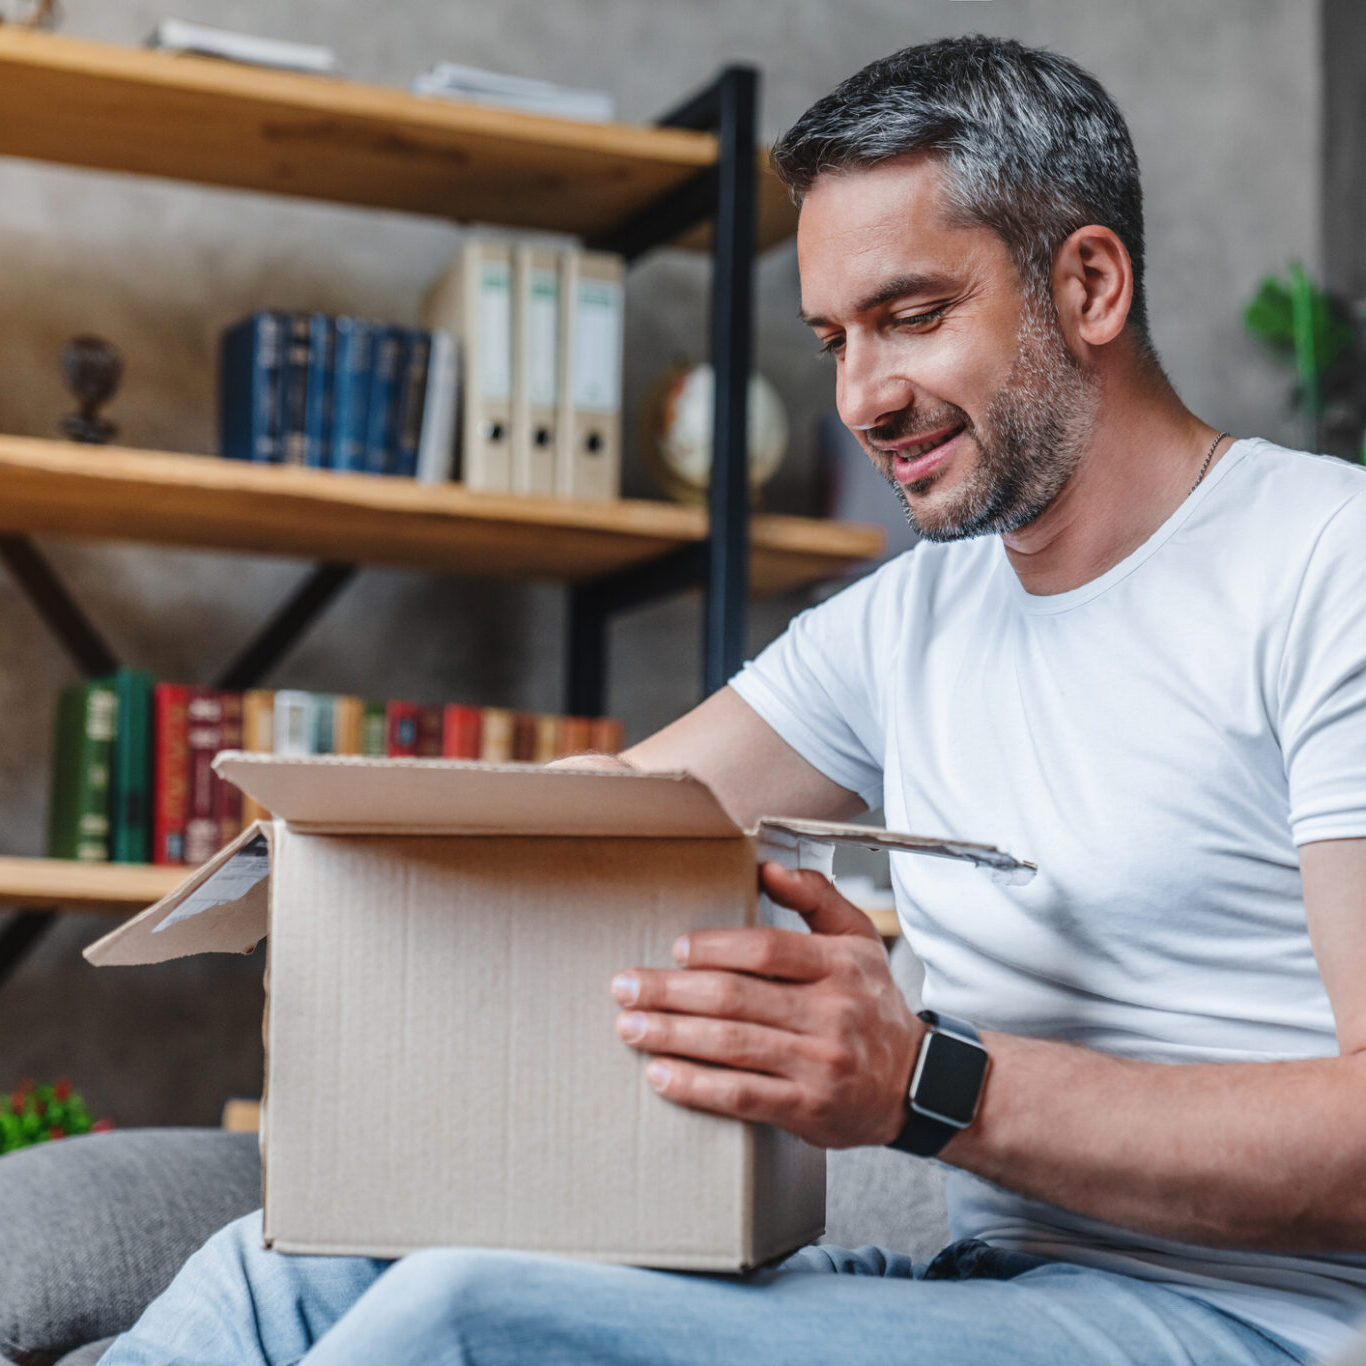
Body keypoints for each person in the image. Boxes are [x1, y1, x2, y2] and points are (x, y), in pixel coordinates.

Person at [105, 34, 1366, 1366]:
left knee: (462, 1322)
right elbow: (591, 825)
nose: (861, 399)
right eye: (834, 339)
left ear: (1090, 284)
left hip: (1260, 1324)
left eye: (913, 316)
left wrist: (921, 1080)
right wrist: (366, 922)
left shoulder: (1322, 568)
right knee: (280, 1270)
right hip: (999, 1283)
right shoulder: (907, 623)